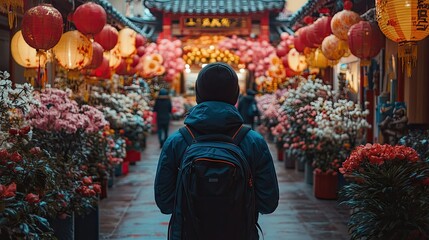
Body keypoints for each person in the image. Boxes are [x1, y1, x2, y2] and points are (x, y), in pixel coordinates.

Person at [154, 62, 279, 239]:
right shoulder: (253, 142)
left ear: (198, 94)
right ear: (236, 95)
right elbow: (269, 203)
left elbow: (165, 203)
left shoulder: (177, 141)